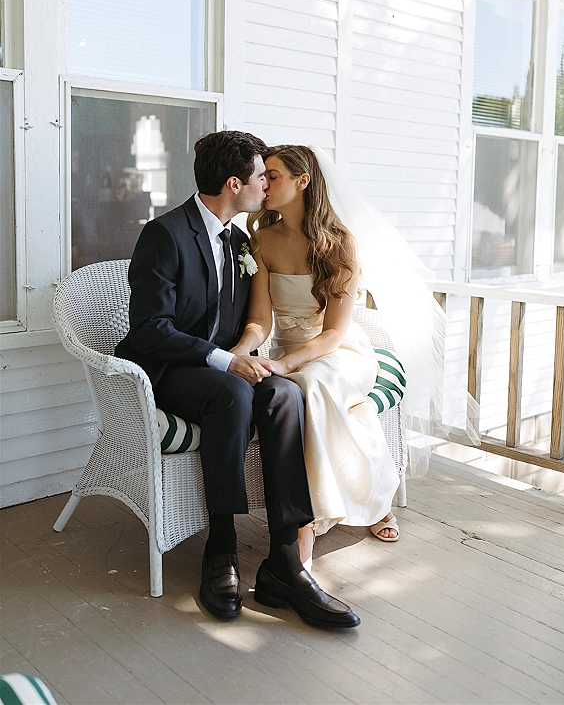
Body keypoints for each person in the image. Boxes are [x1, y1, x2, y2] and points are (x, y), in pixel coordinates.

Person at [115, 131, 360, 630]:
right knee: (231, 391)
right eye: (258, 177)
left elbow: (256, 321)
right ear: (234, 183)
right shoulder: (163, 235)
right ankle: (221, 550)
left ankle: (285, 564)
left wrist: (248, 357)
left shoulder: (244, 241)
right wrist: (226, 362)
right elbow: (149, 330)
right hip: (169, 371)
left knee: (284, 394)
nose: (264, 188)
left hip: (230, 362)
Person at [231, 145, 401, 570]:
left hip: (341, 353)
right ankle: (371, 500)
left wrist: (284, 366)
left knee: (307, 384)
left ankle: (304, 529)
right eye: (262, 177)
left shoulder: (339, 242)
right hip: (291, 350)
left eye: (273, 176)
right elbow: (260, 322)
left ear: (302, 181)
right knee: (302, 391)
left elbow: (334, 334)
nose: (264, 185)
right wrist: (237, 352)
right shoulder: (263, 241)